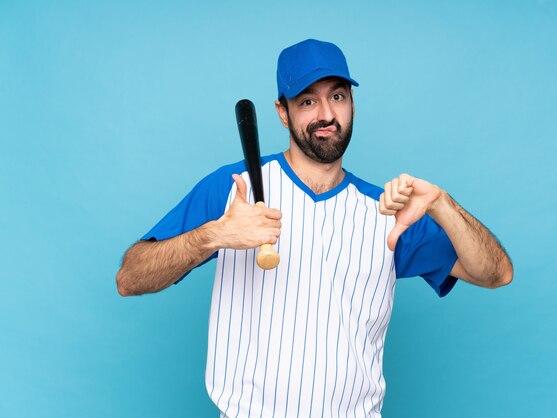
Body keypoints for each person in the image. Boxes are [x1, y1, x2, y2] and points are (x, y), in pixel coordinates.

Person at [116, 39, 513, 418]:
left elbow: (496, 273)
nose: (326, 114)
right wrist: (214, 235)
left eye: (337, 96)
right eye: (307, 101)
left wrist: (442, 203)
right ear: (282, 112)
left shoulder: (389, 211)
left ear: (352, 103)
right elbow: (130, 277)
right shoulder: (233, 189)